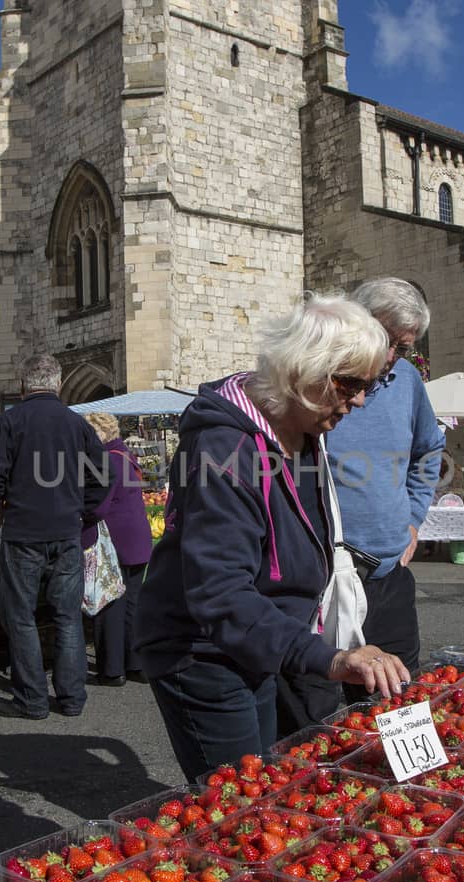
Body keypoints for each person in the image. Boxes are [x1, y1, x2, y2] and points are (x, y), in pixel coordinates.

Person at [134, 295, 410, 783]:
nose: (362, 399)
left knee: (265, 785)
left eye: (371, 384)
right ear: (304, 372)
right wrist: (330, 659)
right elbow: (221, 594)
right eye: (351, 384)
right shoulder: (226, 450)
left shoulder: (303, 432)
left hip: (258, 643)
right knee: (238, 805)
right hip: (202, 653)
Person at [326, 278, 445, 684]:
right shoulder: (318, 378)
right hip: (324, 582)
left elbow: (429, 450)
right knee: (320, 722)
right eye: (384, 338)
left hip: (389, 578)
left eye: (404, 346)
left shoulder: (408, 380)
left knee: (398, 702)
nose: (391, 356)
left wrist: (413, 518)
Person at [0, 354, 107, 720]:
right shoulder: (76, 423)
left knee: (21, 616)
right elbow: (102, 475)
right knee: (67, 616)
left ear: (24, 384)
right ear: (59, 383)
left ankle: (32, 700)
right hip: (66, 529)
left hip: (24, 531)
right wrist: (84, 510)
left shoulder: (11, 420)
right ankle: (71, 698)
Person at [85, 412, 154, 685]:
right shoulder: (126, 456)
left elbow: (98, 505)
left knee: (110, 603)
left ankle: (112, 670)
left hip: (115, 540)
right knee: (132, 603)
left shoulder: (106, 460)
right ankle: (135, 664)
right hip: (138, 538)